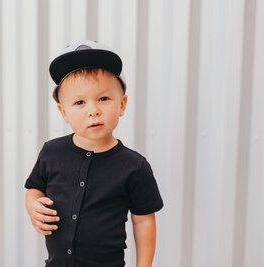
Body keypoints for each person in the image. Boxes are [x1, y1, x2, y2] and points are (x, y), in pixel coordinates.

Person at [25, 40, 163, 267]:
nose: (93, 110)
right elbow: (34, 188)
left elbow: (143, 221)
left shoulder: (134, 166)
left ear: (122, 104)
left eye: (103, 99)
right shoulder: (52, 152)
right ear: (63, 111)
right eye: (79, 102)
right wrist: (33, 206)